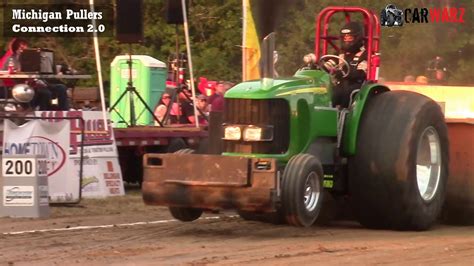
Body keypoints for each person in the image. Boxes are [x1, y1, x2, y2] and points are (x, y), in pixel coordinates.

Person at [0, 38, 69, 111]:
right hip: (21, 87)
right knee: (45, 93)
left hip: (41, 83)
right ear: (15, 49)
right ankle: (43, 115)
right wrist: (14, 72)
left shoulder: (33, 58)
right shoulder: (10, 59)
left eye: (25, 46)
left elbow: (43, 72)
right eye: (20, 47)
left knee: (61, 88)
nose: (23, 49)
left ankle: (63, 113)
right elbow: (3, 73)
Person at [322, 21, 368, 108]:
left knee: (344, 92)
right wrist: (317, 67)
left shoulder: (365, 54)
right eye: (344, 38)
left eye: (349, 38)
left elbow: (361, 73)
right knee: (328, 92)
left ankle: (344, 116)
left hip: (357, 85)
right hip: (341, 85)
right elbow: (328, 66)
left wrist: (343, 72)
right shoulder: (340, 54)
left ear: (357, 38)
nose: (346, 40)